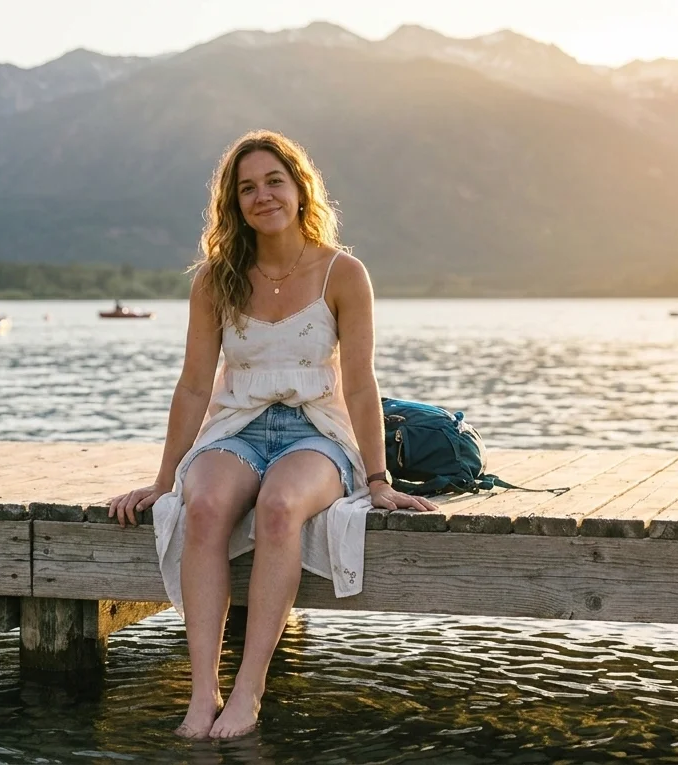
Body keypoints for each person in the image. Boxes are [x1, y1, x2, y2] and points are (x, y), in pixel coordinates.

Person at [108, 130, 436, 740]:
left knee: (281, 507)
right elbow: (193, 386)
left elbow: (361, 385)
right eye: (247, 188)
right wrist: (162, 482)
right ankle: (202, 692)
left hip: (317, 430)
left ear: (300, 189)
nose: (262, 196)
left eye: (274, 182)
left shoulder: (344, 272)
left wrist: (377, 479)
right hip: (237, 426)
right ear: (234, 204)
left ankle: (249, 689)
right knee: (202, 505)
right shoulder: (216, 279)